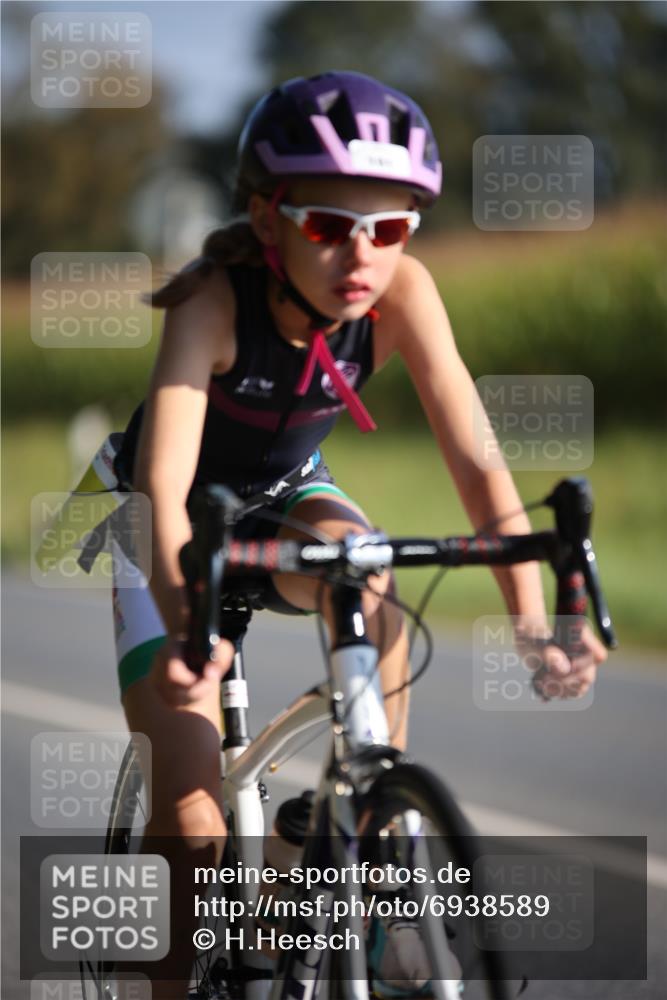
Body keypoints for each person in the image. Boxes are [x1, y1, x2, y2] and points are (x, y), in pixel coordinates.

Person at [101, 71, 607, 998]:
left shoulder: (401, 293)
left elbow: (475, 458)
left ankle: (349, 845)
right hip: (164, 522)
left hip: (288, 491)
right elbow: (165, 488)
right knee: (191, 802)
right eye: (330, 225)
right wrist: (188, 627)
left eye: (391, 227)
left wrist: (532, 618)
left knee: (372, 582)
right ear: (268, 220)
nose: (362, 253)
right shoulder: (210, 302)